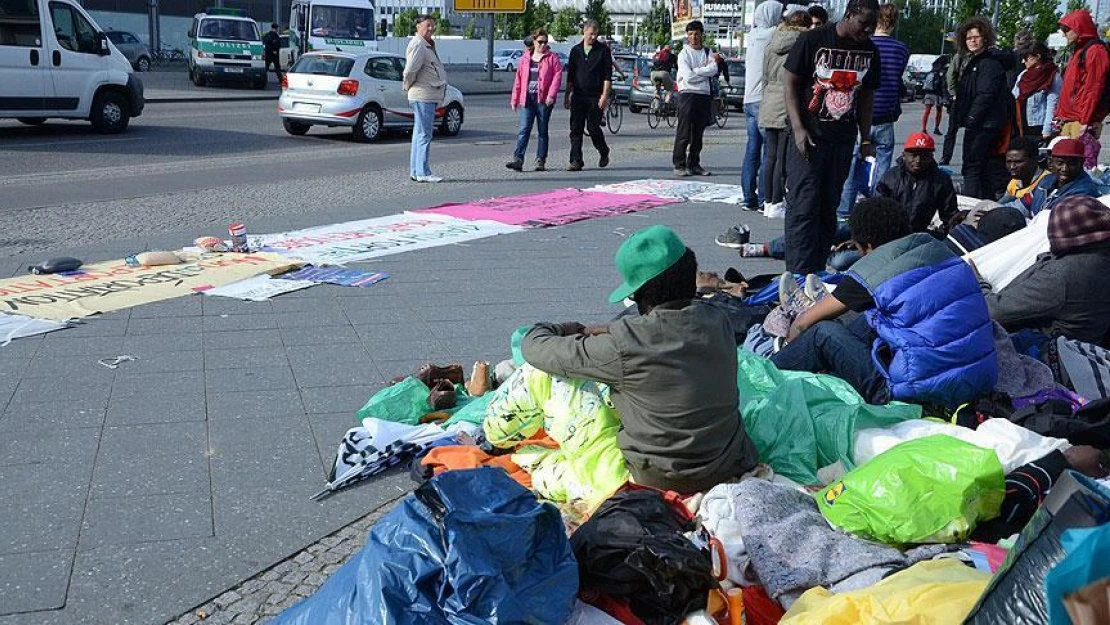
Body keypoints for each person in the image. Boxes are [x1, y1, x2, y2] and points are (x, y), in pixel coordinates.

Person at [520, 225, 760, 493]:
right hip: (728, 464)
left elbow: (534, 347)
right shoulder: (718, 321)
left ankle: (493, 437)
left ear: (639, 296)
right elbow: (669, 330)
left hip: (659, 477)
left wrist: (566, 328)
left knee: (544, 376)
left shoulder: (625, 344)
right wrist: (610, 331)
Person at [771, 197, 998, 406]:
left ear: (867, 245)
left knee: (823, 333)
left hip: (913, 393)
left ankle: (766, 372)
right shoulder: (942, 252)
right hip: (980, 379)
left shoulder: (872, 272)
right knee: (872, 318)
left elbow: (802, 325)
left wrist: (793, 340)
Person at [781, 0, 881, 275]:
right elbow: (789, 83)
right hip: (810, 137)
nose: (869, 30)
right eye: (864, 23)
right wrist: (799, 128)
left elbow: (866, 98)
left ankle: (816, 272)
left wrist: (865, 138)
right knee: (804, 206)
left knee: (828, 207)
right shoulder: (813, 39)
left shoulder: (870, 50)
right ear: (849, 15)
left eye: (873, 25)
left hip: (842, 140)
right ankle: (798, 276)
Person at [979, 195, 1110, 344]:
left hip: (1035, 350)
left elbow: (991, 311)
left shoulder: (1062, 275)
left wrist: (978, 282)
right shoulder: (1100, 256)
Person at [837, 3, 910, 217]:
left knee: (853, 164)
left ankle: (845, 209)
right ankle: (877, 208)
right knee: (883, 164)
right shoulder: (901, 49)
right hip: (886, 113)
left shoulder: (861, 44)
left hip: (860, 114)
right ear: (894, 23)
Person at [757, 9, 810, 216]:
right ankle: (778, 202)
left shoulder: (771, 42)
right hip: (786, 101)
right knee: (782, 157)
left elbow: (764, 75)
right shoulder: (802, 43)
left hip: (769, 98)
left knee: (769, 156)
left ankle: (768, 201)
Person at [953, 17, 1012, 200]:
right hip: (982, 122)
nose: (972, 40)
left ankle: (970, 204)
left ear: (985, 38)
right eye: (969, 37)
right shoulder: (977, 61)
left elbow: (985, 95)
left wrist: (971, 119)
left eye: (976, 37)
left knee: (971, 166)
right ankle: (982, 200)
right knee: (982, 166)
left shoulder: (988, 63)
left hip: (984, 124)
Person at [741, 1, 783, 209]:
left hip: (748, 99)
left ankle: (748, 197)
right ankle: (763, 197)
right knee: (770, 151)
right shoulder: (773, 34)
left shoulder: (753, 35)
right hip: (763, 100)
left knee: (752, 150)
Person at [1053, 9, 1108, 162]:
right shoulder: (1081, 50)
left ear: (1079, 27)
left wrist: (1085, 120)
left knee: (1079, 166)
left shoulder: (1095, 50)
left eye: (1067, 29)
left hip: (1080, 120)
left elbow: (1093, 88)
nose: (1064, 34)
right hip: (1071, 119)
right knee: (1065, 166)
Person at [874, 132, 958, 232]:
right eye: (913, 155)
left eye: (924, 156)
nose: (918, 160)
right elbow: (876, 211)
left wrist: (960, 219)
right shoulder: (891, 177)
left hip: (920, 235)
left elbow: (950, 215)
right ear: (904, 156)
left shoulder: (941, 180)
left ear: (931, 157)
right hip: (891, 233)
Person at [507, 29, 562, 173]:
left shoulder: (552, 58)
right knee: (524, 130)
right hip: (528, 99)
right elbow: (518, 80)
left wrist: (551, 95)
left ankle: (540, 160)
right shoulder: (525, 58)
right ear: (534, 41)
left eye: (545, 42)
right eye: (540, 42)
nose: (543, 45)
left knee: (542, 131)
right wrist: (515, 98)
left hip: (544, 100)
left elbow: (557, 78)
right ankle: (518, 159)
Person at [402, 15, 447, 183]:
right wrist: (409, 86)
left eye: (433, 26)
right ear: (418, 26)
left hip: (425, 94)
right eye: (428, 25)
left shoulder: (426, 44)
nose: (431, 29)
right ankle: (423, 172)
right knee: (424, 134)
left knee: (419, 134)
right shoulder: (419, 44)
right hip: (423, 95)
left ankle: (416, 171)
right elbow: (410, 70)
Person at [672, 20, 719, 177]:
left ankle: (694, 163)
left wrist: (697, 72)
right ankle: (679, 163)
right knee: (684, 131)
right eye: (691, 34)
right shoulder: (684, 54)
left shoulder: (707, 52)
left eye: (696, 34)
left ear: (701, 34)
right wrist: (703, 74)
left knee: (698, 133)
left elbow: (714, 69)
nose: (694, 37)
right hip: (687, 95)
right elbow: (688, 76)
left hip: (703, 95)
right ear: (687, 36)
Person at [564, 20, 612, 172]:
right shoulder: (575, 51)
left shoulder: (603, 51)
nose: (593, 37)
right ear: (584, 32)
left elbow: (607, 76)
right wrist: (567, 95)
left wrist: (604, 95)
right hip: (578, 95)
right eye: (590, 33)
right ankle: (576, 160)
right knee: (575, 129)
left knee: (593, 127)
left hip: (595, 96)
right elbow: (570, 75)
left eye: (595, 34)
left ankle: (604, 151)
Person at [1014, 138, 1101, 216]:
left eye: (1072, 164)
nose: (1065, 169)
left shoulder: (1084, 192)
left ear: (1081, 163)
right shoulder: (1046, 180)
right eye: (1060, 163)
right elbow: (1023, 205)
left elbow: (1056, 223)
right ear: (1051, 162)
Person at [1012, 42, 1061, 140]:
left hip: (1039, 127)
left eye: (1026, 57)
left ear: (1037, 57)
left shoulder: (1052, 76)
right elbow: (1014, 97)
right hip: (1021, 125)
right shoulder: (1023, 75)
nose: (1023, 61)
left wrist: (1047, 130)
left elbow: (1052, 105)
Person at [999, 136, 1050, 205]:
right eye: (1009, 162)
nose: (1012, 166)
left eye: (1018, 162)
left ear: (1034, 159)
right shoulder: (1014, 182)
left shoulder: (1047, 183)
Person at [940, 50, 970, 165]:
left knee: (952, 131)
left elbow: (951, 74)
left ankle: (946, 158)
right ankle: (947, 157)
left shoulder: (961, 55)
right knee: (955, 130)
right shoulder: (961, 55)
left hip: (961, 97)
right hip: (962, 96)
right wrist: (953, 93)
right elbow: (951, 74)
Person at [921, 56, 948, 134]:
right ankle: (936, 128)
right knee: (939, 112)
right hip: (938, 94)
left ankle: (923, 128)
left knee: (927, 111)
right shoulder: (942, 71)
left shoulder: (932, 69)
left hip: (928, 93)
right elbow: (943, 84)